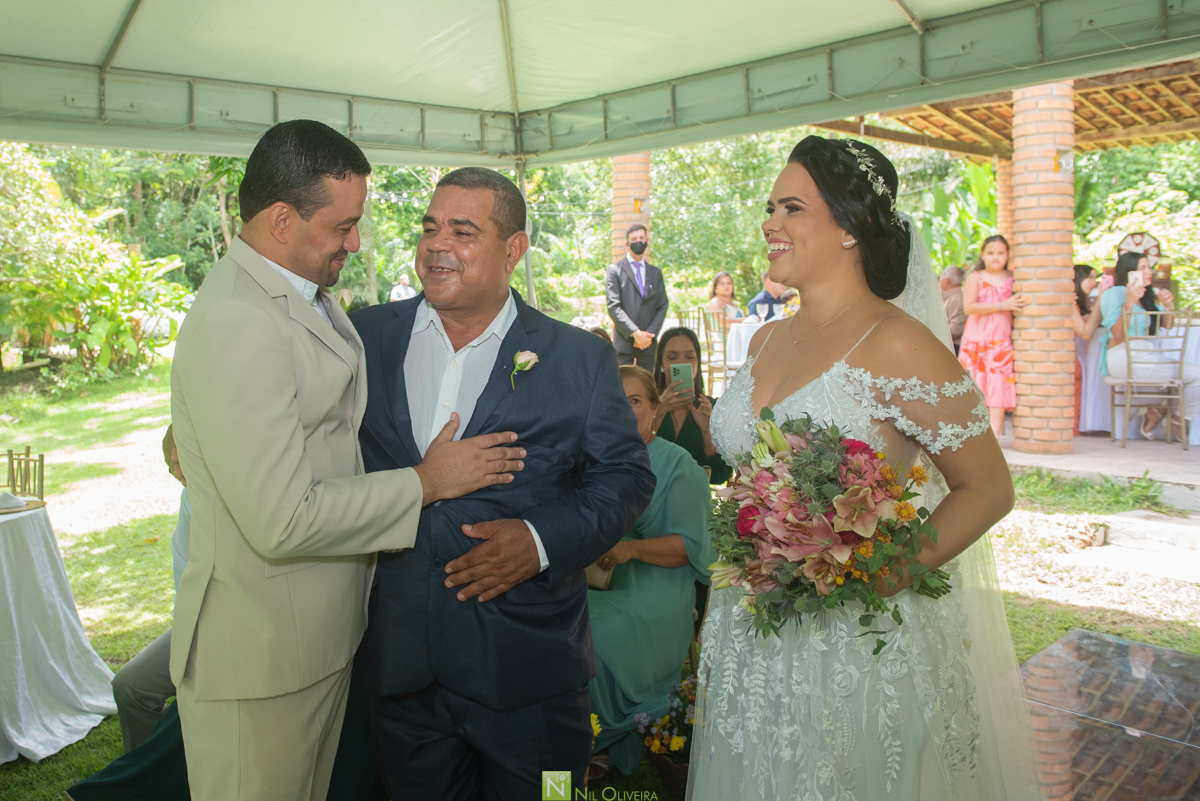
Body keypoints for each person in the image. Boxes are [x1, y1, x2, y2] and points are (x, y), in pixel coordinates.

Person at [168, 121, 525, 801]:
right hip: (260, 653)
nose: (356, 241)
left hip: (310, 641)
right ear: (281, 219)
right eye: (344, 224)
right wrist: (426, 482)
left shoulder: (302, 297)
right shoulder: (240, 319)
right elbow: (281, 519)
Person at [687, 135, 1041, 801]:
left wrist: (888, 570)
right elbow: (753, 469)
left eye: (791, 207)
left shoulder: (899, 344)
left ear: (850, 227)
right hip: (753, 626)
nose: (770, 223)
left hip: (853, 640)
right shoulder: (764, 338)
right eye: (770, 208)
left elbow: (988, 487)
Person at [349, 167, 656, 800]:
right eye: (430, 227)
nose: (438, 245)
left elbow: (625, 477)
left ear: (512, 250)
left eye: (463, 231)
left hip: (532, 678)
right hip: (403, 672)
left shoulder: (578, 358)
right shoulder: (363, 335)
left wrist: (540, 542)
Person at [587, 365, 714, 778]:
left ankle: (595, 739)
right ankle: (566, 737)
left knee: (596, 635)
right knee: (550, 622)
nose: (624, 410)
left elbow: (690, 547)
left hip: (658, 588)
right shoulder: (593, 460)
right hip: (594, 582)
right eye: (614, 401)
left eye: (635, 400)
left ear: (655, 410)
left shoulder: (680, 465)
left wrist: (631, 550)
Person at [1099, 250, 1198, 441]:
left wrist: (1168, 306)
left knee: (1194, 375)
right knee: (1195, 376)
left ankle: (1162, 412)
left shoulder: (1146, 295)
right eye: (1142, 268)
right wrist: (1128, 302)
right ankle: (1171, 416)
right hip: (1123, 356)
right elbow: (1117, 334)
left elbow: (1166, 326)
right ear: (1129, 272)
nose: (1149, 271)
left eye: (1149, 266)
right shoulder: (1115, 293)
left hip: (1146, 355)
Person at [958, 235, 1028, 437]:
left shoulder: (1014, 277)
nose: (996, 257)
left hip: (1001, 342)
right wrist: (1002, 306)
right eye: (991, 253)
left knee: (999, 388)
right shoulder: (975, 277)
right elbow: (969, 307)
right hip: (976, 342)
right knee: (974, 389)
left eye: (1000, 253)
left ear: (1007, 255)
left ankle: (995, 437)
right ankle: (973, 436)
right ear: (983, 255)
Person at [651, 327, 732, 485]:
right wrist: (658, 413)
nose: (681, 363)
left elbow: (719, 475)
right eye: (672, 357)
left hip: (694, 501)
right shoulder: (645, 406)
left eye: (689, 357)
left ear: (697, 362)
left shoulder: (711, 408)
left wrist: (706, 431)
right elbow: (634, 461)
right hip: (650, 501)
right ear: (661, 362)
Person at [606, 223, 669, 371]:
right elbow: (613, 306)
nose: (638, 241)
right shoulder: (615, 271)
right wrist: (635, 333)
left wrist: (648, 335)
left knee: (647, 388)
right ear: (627, 244)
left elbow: (662, 305)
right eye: (634, 238)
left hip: (648, 343)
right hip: (624, 342)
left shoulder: (655, 273)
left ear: (647, 241)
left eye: (642, 237)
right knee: (623, 386)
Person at [1072, 264, 1107, 435]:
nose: (1094, 282)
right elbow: (1086, 332)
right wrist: (1101, 298)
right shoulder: (1069, 301)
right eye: (1090, 278)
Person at [940, 265, 966, 353]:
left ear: (947, 281)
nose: (939, 280)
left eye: (941, 276)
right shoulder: (950, 297)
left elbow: (955, 329)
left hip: (951, 348)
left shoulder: (958, 298)